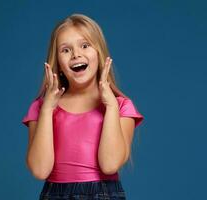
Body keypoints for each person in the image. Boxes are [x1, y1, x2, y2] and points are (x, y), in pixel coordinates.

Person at [22, 13, 144, 200]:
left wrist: (110, 106)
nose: (76, 54)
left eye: (85, 45)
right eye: (66, 50)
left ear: (99, 53)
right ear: (58, 64)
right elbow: (40, 170)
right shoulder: (41, 108)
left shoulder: (121, 107)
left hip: (104, 193)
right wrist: (47, 110)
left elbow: (110, 164)